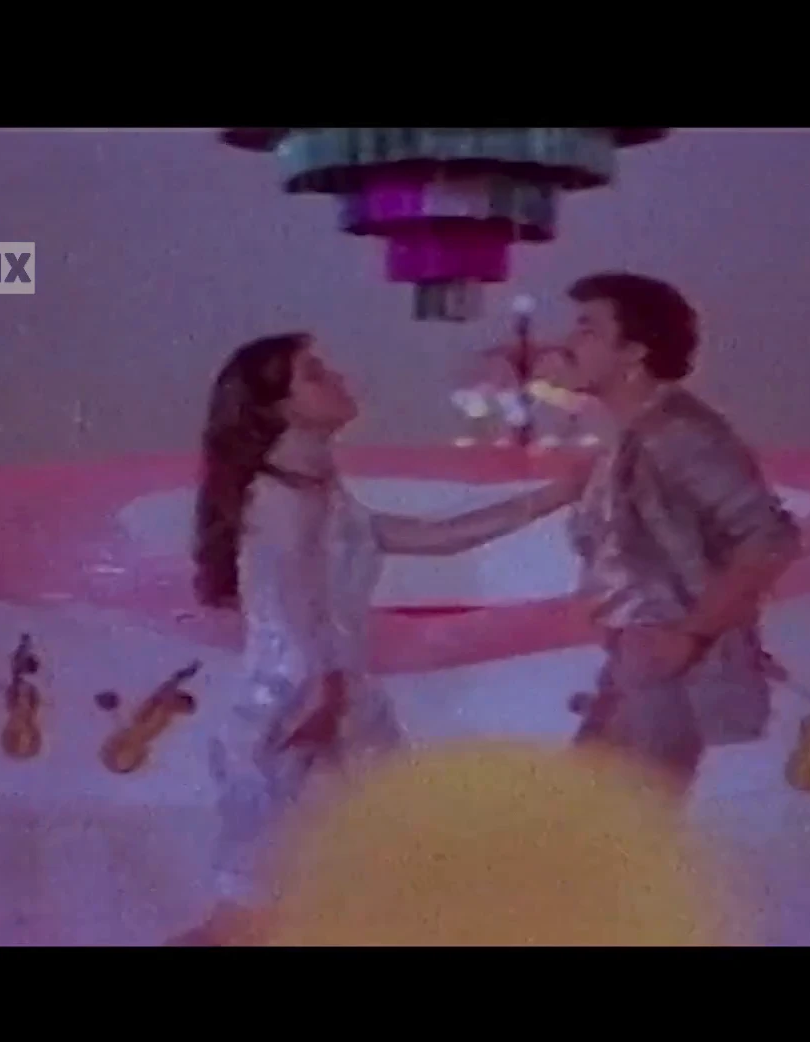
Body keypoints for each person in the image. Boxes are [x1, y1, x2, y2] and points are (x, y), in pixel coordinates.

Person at [172, 332, 584, 945]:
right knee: (255, 908)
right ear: (278, 407)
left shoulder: (320, 492)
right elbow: (293, 609)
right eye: (314, 374)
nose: (338, 378)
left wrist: (554, 496)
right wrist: (327, 693)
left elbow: (434, 536)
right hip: (295, 706)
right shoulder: (278, 500)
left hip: (333, 700)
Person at [549, 273, 802, 795]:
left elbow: (769, 537)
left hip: (669, 665)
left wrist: (692, 634)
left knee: (619, 819)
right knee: (592, 816)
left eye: (588, 329)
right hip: (637, 663)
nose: (569, 343)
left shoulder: (678, 433)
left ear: (634, 351)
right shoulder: (632, 436)